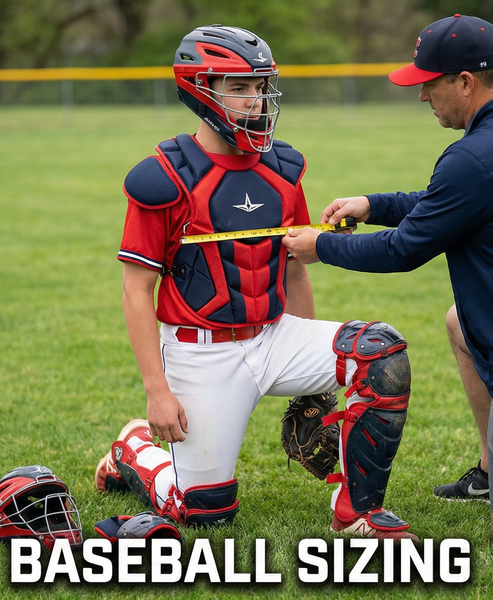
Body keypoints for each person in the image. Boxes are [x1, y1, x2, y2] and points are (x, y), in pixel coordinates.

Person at [97, 24, 416, 540]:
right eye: (239, 88)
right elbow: (137, 290)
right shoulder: (163, 176)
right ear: (199, 89)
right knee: (206, 511)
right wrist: (156, 391)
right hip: (200, 352)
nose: (256, 100)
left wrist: (314, 383)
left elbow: (293, 266)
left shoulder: (285, 169)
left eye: (261, 86)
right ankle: (134, 448)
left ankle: (357, 512)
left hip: (273, 335)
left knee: (381, 351)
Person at [281, 14, 493, 545]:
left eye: (429, 84)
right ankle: (491, 470)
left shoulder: (473, 155)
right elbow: (446, 205)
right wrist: (374, 204)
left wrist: (323, 246)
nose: (421, 96)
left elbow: (406, 249)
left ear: (464, 82)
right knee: (461, 322)